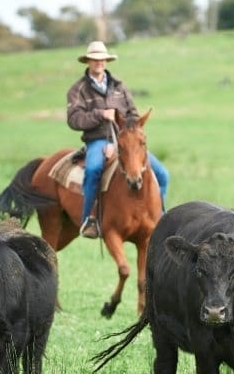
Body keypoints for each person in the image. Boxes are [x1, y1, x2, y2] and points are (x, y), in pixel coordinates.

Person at [66, 40, 169, 239]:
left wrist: (133, 127)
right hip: (97, 140)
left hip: (126, 141)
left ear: (106, 61)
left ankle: (159, 217)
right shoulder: (78, 89)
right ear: (88, 61)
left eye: (102, 59)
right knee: (94, 170)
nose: (99, 63)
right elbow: (73, 119)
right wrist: (100, 115)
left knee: (163, 174)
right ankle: (90, 219)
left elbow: (132, 112)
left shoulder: (118, 86)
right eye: (94, 59)